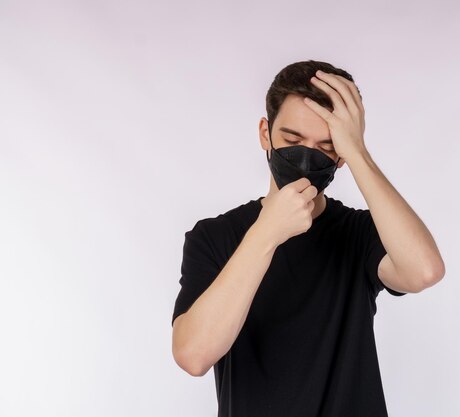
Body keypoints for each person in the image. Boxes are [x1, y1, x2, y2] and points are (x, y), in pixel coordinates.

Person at [171, 60, 445, 417]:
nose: (306, 155)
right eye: (292, 139)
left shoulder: (357, 233)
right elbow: (193, 355)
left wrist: (358, 152)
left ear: (340, 156)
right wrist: (267, 232)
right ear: (265, 134)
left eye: (327, 146)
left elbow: (424, 271)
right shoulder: (214, 236)